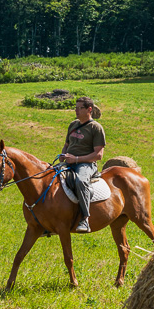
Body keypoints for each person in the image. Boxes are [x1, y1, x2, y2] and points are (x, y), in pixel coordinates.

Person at [60, 96, 105, 233]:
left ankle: (85, 219)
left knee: (80, 180)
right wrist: (63, 155)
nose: (77, 111)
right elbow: (66, 145)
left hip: (86, 164)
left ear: (89, 109)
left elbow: (98, 155)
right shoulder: (73, 125)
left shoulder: (96, 128)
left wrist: (76, 159)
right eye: (76, 108)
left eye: (80, 108)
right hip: (69, 162)